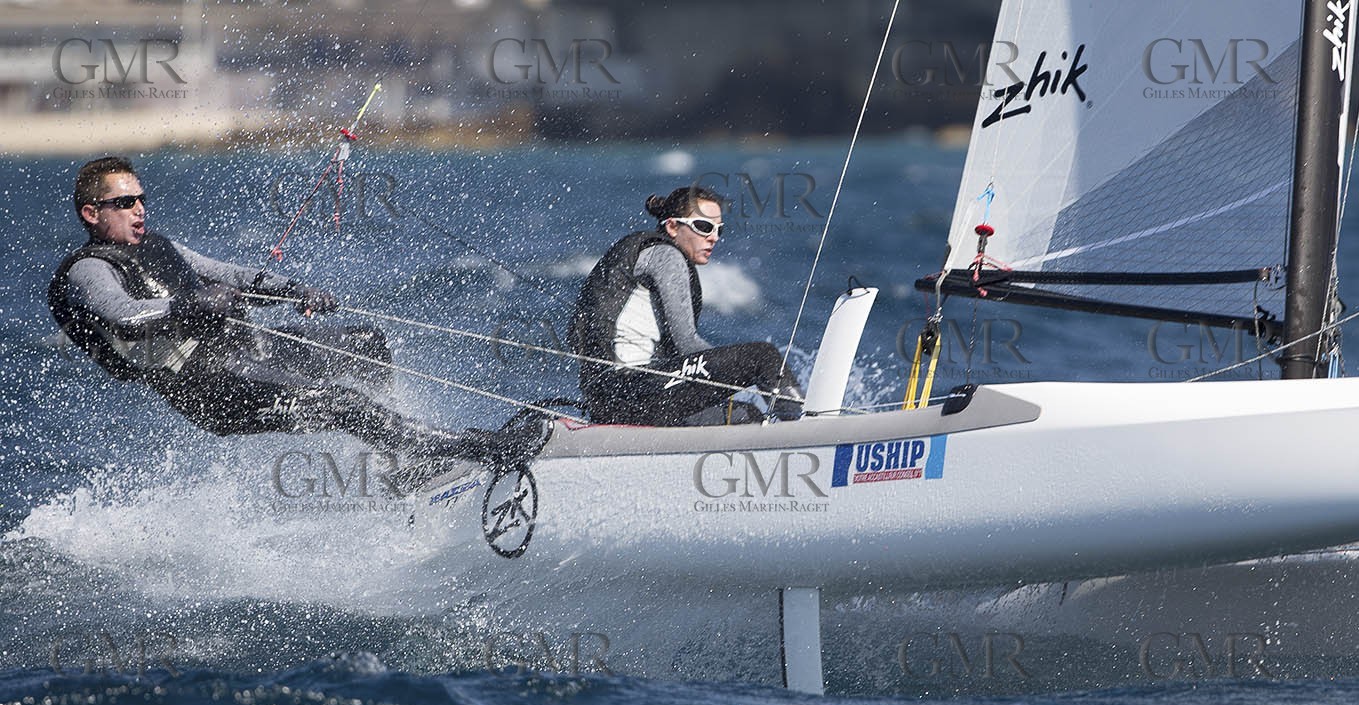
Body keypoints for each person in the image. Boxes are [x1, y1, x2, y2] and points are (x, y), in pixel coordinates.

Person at [48, 155, 509, 463]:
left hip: (253, 352)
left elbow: (225, 273)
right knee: (337, 402)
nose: (139, 210)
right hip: (214, 389)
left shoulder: (157, 246)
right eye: (125, 202)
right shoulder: (89, 269)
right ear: (92, 213)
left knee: (364, 343)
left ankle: (399, 457)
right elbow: (121, 313)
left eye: (141, 199)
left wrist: (297, 291)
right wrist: (190, 304)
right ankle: (442, 451)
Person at [567, 185, 803, 425]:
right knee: (762, 357)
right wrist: (732, 375)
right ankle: (806, 426)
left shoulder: (631, 254)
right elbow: (686, 343)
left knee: (745, 415)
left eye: (719, 229)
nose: (714, 237)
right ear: (672, 226)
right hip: (634, 391)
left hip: (610, 400)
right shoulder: (665, 256)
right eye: (704, 227)